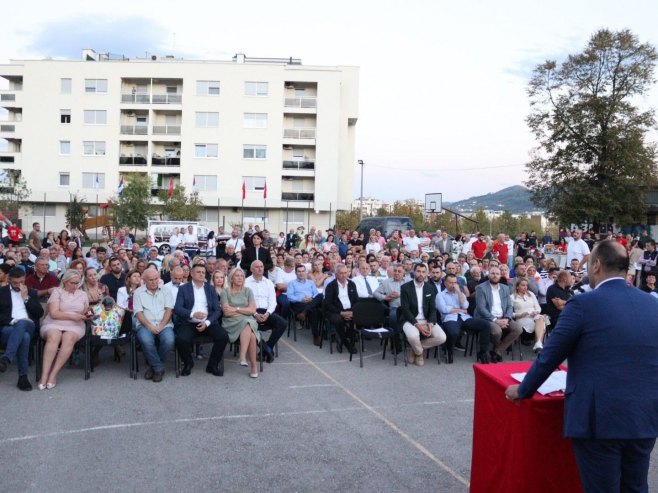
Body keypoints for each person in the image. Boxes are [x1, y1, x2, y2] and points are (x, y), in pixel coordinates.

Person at [505, 240, 658, 493]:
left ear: (596, 265)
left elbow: (550, 355)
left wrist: (523, 390)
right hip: (644, 416)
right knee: (635, 486)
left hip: (600, 419)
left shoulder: (583, 304)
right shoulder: (652, 304)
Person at [38, 269, 89, 389]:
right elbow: (54, 313)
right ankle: (44, 375)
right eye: (72, 283)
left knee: (69, 338)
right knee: (53, 336)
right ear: (65, 282)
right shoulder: (57, 291)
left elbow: (85, 312)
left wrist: (88, 315)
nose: (75, 286)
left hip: (75, 325)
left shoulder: (83, 294)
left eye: (77, 283)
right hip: (54, 322)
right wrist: (73, 315)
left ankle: (53, 374)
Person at [174, 264, 228, 376]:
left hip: (207, 322)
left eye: (203, 272)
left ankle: (212, 365)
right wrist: (193, 314)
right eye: (198, 272)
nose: (201, 274)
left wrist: (207, 322)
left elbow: (217, 310)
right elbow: (178, 308)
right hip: (189, 322)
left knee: (223, 336)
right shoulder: (184, 289)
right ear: (192, 274)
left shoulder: (210, 289)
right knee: (181, 339)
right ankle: (188, 363)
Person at [0, 267, 44, 390]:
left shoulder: (30, 292)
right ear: (9, 279)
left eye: (21, 282)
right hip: (8, 328)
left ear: (24, 279)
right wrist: (14, 320)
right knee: (24, 337)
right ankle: (23, 378)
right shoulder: (2, 292)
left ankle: (6, 358)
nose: (19, 285)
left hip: (29, 325)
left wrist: (26, 298)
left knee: (23, 325)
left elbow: (39, 313)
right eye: (15, 283)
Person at [436, 273, 491, 363]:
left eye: (455, 282)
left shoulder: (460, 293)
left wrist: (458, 292)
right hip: (449, 318)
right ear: (445, 283)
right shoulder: (440, 295)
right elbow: (444, 309)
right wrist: (460, 310)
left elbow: (465, 305)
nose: (453, 285)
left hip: (464, 318)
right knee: (453, 333)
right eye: (450, 282)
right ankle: (448, 351)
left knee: (485, 324)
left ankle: (483, 351)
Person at [399, 263, 447, 366]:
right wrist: (417, 325)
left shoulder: (430, 288)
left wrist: (430, 323)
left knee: (442, 337)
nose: (421, 274)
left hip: (426, 319)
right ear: (414, 272)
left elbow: (433, 309)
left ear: (427, 274)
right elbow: (405, 309)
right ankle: (419, 353)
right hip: (410, 320)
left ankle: (415, 349)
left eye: (423, 272)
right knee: (413, 336)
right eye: (418, 271)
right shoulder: (405, 288)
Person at [132, 268, 175, 382]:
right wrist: (150, 326)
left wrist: (161, 326)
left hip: (164, 324)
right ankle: (158, 368)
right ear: (144, 280)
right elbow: (139, 313)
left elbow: (169, 310)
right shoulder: (138, 293)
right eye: (150, 280)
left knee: (169, 340)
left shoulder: (166, 290)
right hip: (145, 324)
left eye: (156, 279)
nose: (154, 282)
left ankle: (153, 367)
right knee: (146, 341)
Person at [474, 266, 523, 362]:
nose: (495, 276)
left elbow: (509, 306)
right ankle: (498, 350)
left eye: (497, 274)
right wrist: (496, 320)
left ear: (500, 275)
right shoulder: (481, 288)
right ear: (488, 275)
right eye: (492, 273)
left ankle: (497, 351)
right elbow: (481, 308)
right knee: (497, 332)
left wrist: (507, 318)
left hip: (503, 317)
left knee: (518, 329)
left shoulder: (505, 288)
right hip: (487, 318)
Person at [220, 267, 260, 378]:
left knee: (247, 324)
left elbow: (252, 310)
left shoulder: (248, 291)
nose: (240, 278)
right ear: (231, 278)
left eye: (242, 276)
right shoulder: (225, 292)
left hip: (247, 320)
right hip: (231, 322)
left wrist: (236, 309)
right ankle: (253, 366)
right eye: (237, 276)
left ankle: (243, 357)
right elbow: (227, 313)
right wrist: (244, 312)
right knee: (250, 330)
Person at [245, 260, 286, 361]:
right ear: (251, 269)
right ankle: (267, 349)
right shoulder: (245, 282)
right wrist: (255, 314)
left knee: (282, 323)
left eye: (262, 266)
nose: (260, 269)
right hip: (251, 312)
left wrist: (267, 314)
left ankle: (267, 347)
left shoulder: (268, 283)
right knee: (248, 326)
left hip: (266, 311)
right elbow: (244, 302)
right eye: (257, 267)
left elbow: (273, 302)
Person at [323, 264, 359, 354]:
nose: (344, 275)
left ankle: (347, 339)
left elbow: (356, 300)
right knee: (338, 320)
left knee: (357, 318)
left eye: (345, 273)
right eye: (341, 273)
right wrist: (341, 312)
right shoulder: (331, 286)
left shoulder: (351, 284)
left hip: (350, 310)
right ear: (336, 274)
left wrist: (351, 312)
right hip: (335, 311)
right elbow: (327, 304)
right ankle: (346, 342)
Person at [286, 264, 323, 343]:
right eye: (299, 271)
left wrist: (311, 298)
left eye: (303, 271)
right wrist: (301, 299)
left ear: (305, 272)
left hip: (310, 302)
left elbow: (316, 294)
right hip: (299, 304)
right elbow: (289, 297)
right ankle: (316, 336)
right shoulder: (292, 283)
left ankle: (304, 312)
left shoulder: (311, 282)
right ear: (295, 273)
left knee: (320, 296)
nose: (301, 273)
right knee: (314, 310)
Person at [511, 278, 546, 353]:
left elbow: (538, 308)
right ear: (517, 287)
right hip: (522, 318)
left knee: (540, 317)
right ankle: (539, 344)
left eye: (526, 285)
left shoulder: (531, 294)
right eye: (523, 285)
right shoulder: (512, 297)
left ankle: (538, 344)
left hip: (534, 316)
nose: (525, 287)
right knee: (541, 323)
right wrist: (519, 315)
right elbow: (510, 313)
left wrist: (535, 312)